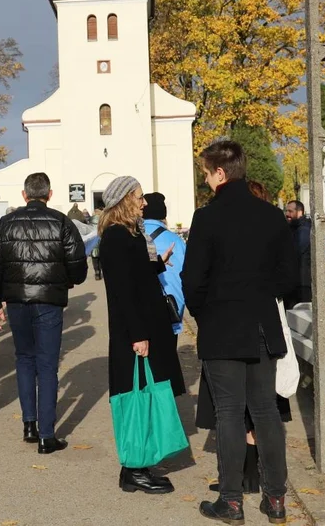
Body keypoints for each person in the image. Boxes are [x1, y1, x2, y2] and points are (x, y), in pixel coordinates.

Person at [182, 142, 296, 524]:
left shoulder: (207, 217)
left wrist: (205, 310)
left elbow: (192, 278)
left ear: (219, 173)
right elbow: (288, 276)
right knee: (265, 411)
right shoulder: (272, 215)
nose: (204, 178)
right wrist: (262, 294)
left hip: (222, 324)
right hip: (262, 323)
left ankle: (231, 501)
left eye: (205, 172)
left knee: (229, 413)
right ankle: (276, 499)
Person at [0, 172, 87, 454]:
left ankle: (29, 424)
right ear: (50, 194)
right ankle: (46, 434)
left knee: (24, 359)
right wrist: (68, 279)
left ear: (24, 195)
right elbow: (77, 262)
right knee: (46, 364)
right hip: (49, 299)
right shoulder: (61, 221)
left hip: (17, 299)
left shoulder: (6, 222)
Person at [97, 177, 185, 494]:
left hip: (145, 326)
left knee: (145, 396)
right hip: (134, 331)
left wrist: (158, 265)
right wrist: (137, 334)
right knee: (137, 399)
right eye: (139, 196)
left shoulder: (130, 234)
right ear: (124, 200)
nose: (144, 202)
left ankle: (141, 464)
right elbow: (123, 290)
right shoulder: (117, 237)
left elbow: (136, 275)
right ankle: (134, 469)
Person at [141, 192, 186, 335]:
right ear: (163, 215)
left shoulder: (134, 237)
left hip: (142, 312)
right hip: (171, 310)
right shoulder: (176, 241)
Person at [284, 200, 312, 308]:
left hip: (301, 282)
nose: (287, 214)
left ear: (300, 212)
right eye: (286, 211)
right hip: (295, 280)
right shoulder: (294, 228)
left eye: (290, 211)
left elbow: (295, 252)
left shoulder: (303, 230)